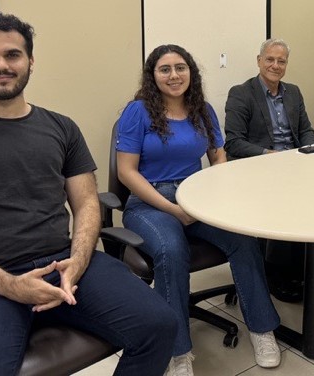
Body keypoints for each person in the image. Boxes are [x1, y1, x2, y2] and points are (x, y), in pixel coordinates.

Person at [0, 12, 178, 375]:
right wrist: (9, 285)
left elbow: (87, 202)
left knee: (160, 326)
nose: (1, 65)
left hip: (62, 263)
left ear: (30, 61)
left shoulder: (61, 127)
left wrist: (77, 262)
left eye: (12, 55)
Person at [116, 44, 282, 373]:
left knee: (243, 240)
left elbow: (218, 154)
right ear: (153, 76)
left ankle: (262, 330)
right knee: (171, 249)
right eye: (165, 69)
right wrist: (173, 208)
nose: (174, 75)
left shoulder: (202, 109)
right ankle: (177, 352)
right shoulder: (137, 112)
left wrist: (215, 194)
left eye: (181, 67)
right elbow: (126, 172)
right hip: (150, 201)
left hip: (195, 196)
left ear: (191, 72)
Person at [224, 38, 314, 302]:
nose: (275, 65)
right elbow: (234, 142)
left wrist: (310, 151)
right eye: (270, 59)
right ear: (259, 61)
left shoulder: (294, 92)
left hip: (295, 165)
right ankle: (278, 273)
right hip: (260, 169)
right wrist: (271, 155)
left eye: (281, 61)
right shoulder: (241, 93)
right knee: (285, 204)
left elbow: (306, 130)